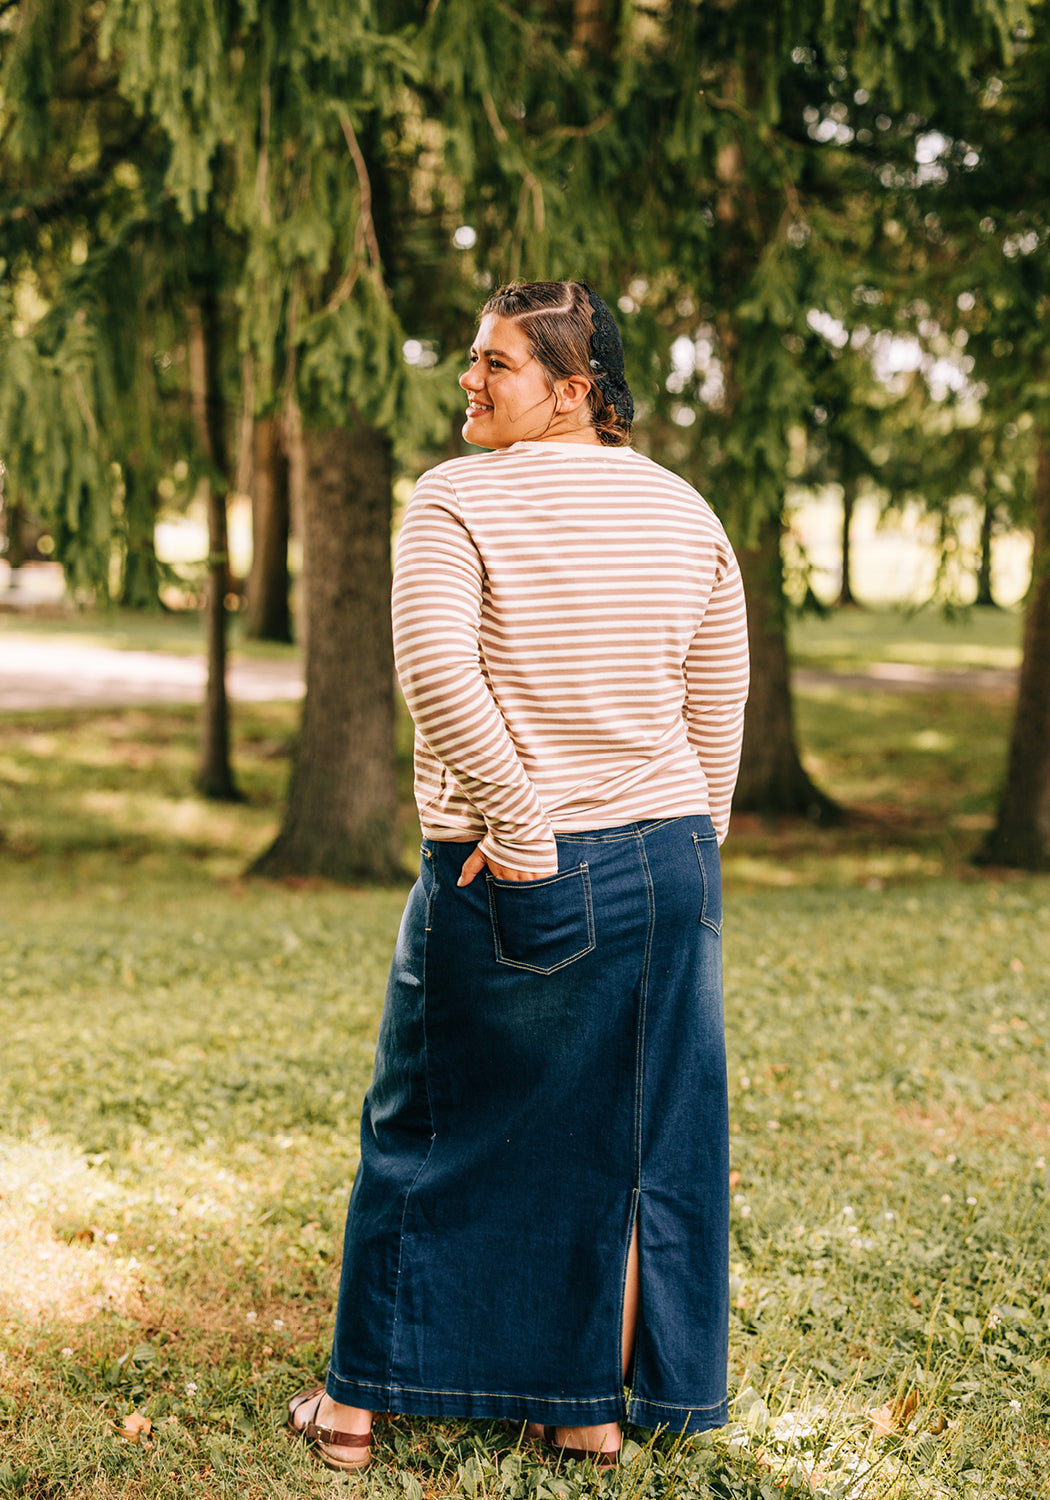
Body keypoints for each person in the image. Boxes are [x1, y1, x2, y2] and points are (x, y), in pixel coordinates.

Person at [289, 280, 750, 1471]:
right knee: (618, 1139)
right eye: (473, 359)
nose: (470, 379)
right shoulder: (685, 510)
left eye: (498, 364)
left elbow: (438, 675)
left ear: (573, 390)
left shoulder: (455, 498)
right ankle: (581, 1411)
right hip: (664, 862)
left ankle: (354, 1409)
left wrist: (530, 832)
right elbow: (716, 707)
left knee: (427, 1127)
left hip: (514, 862)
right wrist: (695, 845)